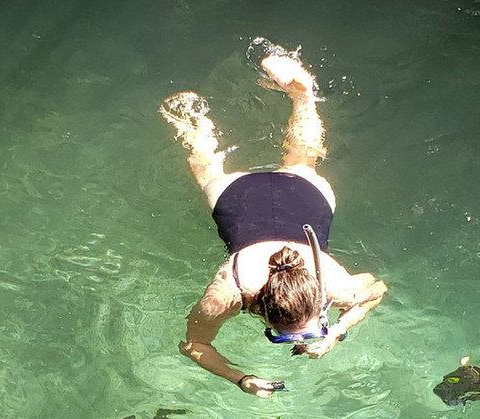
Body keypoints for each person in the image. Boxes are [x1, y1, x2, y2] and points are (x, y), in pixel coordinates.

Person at [160, 42, 388, 398]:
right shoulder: (227, 295)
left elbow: (377, 290)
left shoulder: (335, 286)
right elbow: (192, 346)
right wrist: (239, 378)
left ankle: (302, 95)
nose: (298, 342)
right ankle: (195, 123)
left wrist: (337, 330)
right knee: (208, 171)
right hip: (239, 200)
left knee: (303, 160)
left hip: (304, 198)